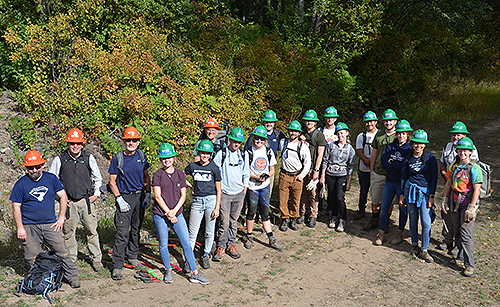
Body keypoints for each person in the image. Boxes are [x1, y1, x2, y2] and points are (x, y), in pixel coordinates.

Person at [10, 150, 80, 288]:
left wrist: (61, 218)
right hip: (29, 226)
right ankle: (41, 281)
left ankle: (72, 277)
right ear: (26, 168)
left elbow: (63, 197)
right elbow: (16, 206)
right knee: (33, 256)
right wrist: (20, 227)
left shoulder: (51, 179)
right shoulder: (20, 184)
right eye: (30, 167)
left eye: (37, 166)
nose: (34, 170)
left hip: (50, 224)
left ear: (43, 165)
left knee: (63, 251)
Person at [152, 143, 210, 285]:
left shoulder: (179, 174)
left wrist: (173, 212)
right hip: (161, 214)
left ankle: (194, 272)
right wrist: (167, 212)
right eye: (164, 158)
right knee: (163, 244)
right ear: (161, 159)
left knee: (186, 243)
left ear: (174, 157)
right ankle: (168, 270)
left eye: (169, 157)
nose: (167, 160)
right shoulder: (157, 175)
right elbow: (157, 196)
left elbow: (183, 195)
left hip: (177, 214)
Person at [48, 128, 104, 272]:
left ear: (82, 144)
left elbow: (98, 178)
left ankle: (96, 259)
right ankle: (71, 260)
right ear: (68, 143)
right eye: (72, 143)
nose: (75, 146)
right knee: (68, 233)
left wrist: (96, 194)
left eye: (78, 143)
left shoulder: (87, 158)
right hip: (68, 202)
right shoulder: (60, 159)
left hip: (86, 201)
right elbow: (51, 180)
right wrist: (59, 198)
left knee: (92, 231)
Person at [108, 127, 151, 280]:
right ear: (124, 141)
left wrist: (148, 194)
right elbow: (112, 181)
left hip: (139, 197)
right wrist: (119, 199)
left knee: (136, 229)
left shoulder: (141, 155)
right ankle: (117, 265)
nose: (131, 143)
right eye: (128, 140)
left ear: (138, 142)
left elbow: (147, 176)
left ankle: (133, 256)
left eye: (134, 140)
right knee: (122, 232)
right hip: (124, 197)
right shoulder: (118, 158)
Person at [441, 137, 482, 277]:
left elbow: (477, 189)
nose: (462, 152)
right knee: (457, 230)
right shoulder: (454, 165)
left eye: (465, 150)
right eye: (460, 150)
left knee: (466, 234)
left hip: (467, 204)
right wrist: (445, 199)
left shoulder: (475, 168)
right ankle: (460, 256)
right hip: (454, 203)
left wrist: (471, 208)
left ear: (470, 152)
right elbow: (448, 183)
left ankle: (470, 264)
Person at [438, 121, 479, 255]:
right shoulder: (448, 147)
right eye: (454, 135)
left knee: (461, 220)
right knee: (447, 215)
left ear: (465, 135)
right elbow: (443, 165)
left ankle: (458, 245)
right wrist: (448, 178)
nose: (456, 137)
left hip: (465, 192)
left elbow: (473, 172)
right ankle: (447, 240)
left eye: (459, 135)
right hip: (450, 185)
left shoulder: (470, 148)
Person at [400, 129, 438, 263]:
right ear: (412, 143)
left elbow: (434, 178)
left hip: (425, 193)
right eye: (416, 143)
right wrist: (401, 195)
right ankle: (414, 245)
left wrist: (432, 196)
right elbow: (403, 177)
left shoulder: (430, 158)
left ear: (425, 145)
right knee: (413, 219)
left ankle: (425, 249)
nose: (418, 146)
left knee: (426, 222)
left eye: (421, 144)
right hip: (410, 191)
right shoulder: (407, 158)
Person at [243, 126, 284, 251]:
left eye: (261, 139)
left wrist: (267, 176)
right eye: (257, 138)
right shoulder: (248, 152)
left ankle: (271, 238)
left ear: (265, 139)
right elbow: (244, 171)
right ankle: (249, 236)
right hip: (252, 187)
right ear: (253, 138)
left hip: (264, 186)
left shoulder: (268, 151)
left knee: (265, 213)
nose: (259, 141)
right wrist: (255, 177)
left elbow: (272, 169)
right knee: (251, 212)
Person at [212, 128, 249, 261]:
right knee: (224, 221)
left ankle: (231, 244)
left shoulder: (244, 155)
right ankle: (221, 246)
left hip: (239, 194)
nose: (237, 144)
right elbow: (215, 173)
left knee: (234, 221)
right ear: (230, 139)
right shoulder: (221, 154)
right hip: (225, 194)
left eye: (239, 142)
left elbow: (246, 173)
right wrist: (219, 191)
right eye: (234, 141)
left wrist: (244, 190)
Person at [374, 120, 412, 245]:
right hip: (389, 181)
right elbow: (384, 162)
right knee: (384, 207)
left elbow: (405, 167)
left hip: (402, 183)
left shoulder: (410, 148)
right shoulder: (391, 145)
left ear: (407, 135)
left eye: (404, 134)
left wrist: (394, 163)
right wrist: (397, 165)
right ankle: (381, 232)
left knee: (402, 208)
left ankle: (399, 232)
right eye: (399, 133)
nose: (401, 136)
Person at [185, 140, 222, 269]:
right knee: (192, 232)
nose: (204, 156)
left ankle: (206, 254)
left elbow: (219, 189)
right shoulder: (192, 166)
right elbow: (181, 176)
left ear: (210, 154)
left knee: (209, 231)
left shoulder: (214, 168)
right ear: (198, 153)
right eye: (202, 153)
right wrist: (189, 185)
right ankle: (189, 260)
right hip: (197, 202)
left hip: (211, 201)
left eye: (207, 153)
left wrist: (217, 207)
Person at [364, 109, 398, 231]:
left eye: (390, 120)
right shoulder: (379, 134)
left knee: (390, 201)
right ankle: (374, 219)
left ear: (395, 121)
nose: (388, 123)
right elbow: (374, 153)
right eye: (386, 121)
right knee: (375, 199)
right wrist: (372, 169)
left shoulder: (398, 135)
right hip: (378, 172)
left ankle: (386, 221)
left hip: (392, 175)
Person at [320, 122, 356, 232]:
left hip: (342, 175)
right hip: (330, 174)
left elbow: (351, 166)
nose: (340, 135)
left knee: (340, 197)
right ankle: (334, 217)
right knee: (332, 196)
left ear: (346, 133)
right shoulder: (331, 146)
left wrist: (349, 181)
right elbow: (325, 161)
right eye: (338, 133)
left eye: (342, 133)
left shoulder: (350, 149)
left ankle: (342, 219)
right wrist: (323, 176)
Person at [278, 120, 311, 232]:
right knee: (283, 199)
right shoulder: (282, 142)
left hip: (297, 176)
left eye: (295, 131)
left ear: (299, 133)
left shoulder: (303, 146)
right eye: (291, 130)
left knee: (296, 200)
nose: (293, 133)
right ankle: (284, 218)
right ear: (288, 131)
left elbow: (308, 162)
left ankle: (293, 218)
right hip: (284, 175)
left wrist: (302, 175)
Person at [244, 110, 286, 193]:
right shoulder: (256, 134)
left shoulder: (278, 135)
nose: (269, 124)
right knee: (252, 195)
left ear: (274, 123)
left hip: (269, 169)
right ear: (263, 122)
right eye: (267, 122)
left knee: (267, 194)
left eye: (271, 122)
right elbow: (246, 150)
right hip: (253, 170)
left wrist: (302, 139)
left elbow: (290, 142)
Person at [299, 109, 326, 228]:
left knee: (313, 193)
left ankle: (313, 215)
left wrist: (316, 171)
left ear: (315, 122)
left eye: (312, 120)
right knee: (303, 192)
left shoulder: (319, 135)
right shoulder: (302, 134)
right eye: (307, 120)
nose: (309, 122)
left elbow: (320, 154)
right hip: (302, 168)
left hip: (313, 168)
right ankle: (303, 213)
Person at [354, 111, 378, 220]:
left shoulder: (380, 135)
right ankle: (361, 210)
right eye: (367, 122)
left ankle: (376, 213)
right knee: (363, 190)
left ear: (376, 122)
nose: (369, 124)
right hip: (364, 168)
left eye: (371, 121)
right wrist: (366, 160)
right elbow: (359, 151)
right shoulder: (361, 136)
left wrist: (374, 162)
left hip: (377, 169)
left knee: (377, 192)